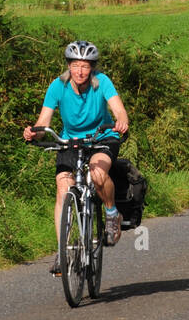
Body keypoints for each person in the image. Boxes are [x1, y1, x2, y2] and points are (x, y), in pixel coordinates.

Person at [24, 41, 130, 275]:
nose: (80, 71)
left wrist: (121, 120)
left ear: (92, 67)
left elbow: (119, 109)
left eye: (85, 66)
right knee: (63, 186)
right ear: (68, 66)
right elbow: (44, 122)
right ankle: (63, 252)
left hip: (102, 136)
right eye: (75, 65)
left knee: (98, 173)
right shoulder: (57, 86)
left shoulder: (102, 82)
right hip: (70, 141)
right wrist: (35, 131)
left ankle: (112, 214)